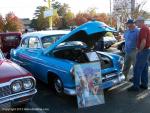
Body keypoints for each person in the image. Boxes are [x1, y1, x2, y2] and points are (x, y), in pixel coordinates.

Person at [128, 16, 150, 91]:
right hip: (146, 51)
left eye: (136, 22)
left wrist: (139, 50)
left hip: (143, 51)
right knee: (144, 68)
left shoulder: (143, 29)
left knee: (137, 68)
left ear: (141, 21)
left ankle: (135, 86)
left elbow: (143, 41)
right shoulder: (146, 28)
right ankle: (144, 84)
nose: (136, 23)